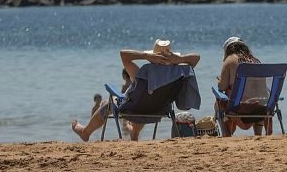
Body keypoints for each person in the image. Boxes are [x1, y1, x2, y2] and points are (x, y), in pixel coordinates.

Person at [72, 39, 200, 142]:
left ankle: (85, 133)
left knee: (110, 102)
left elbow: (123, 54)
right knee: (147, 100)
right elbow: (197, 57)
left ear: (152, 55)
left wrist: (145, 56)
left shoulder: (145, 73)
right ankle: (134, 134)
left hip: (135, 109)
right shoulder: (180, 72)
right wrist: (179, 59)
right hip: (160, 109)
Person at [216, 36, 269, 136]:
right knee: (258, 98)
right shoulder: (256, 61)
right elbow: (262, 89)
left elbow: (222, 87)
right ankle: (258, 134)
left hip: (239, 109)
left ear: (227, 49)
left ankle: (227, 135)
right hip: (260, 110)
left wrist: (220, 81)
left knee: (219, 100)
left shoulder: (230, 59)